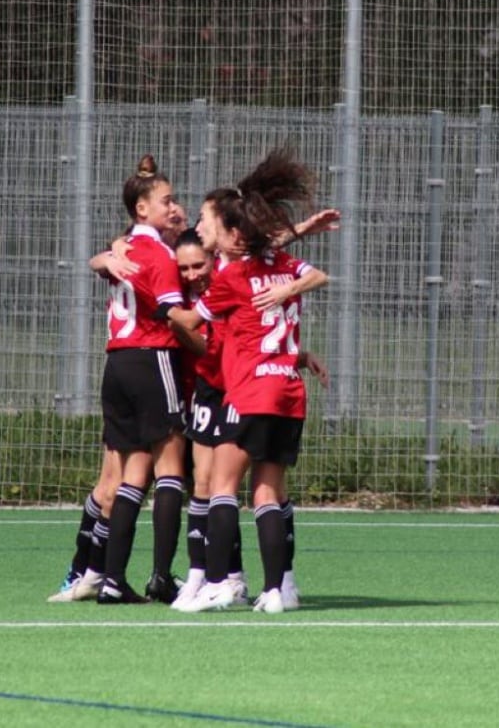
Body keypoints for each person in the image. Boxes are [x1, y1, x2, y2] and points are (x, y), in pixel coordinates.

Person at [164, 148, 330, 614]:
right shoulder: (282, 265)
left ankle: (222, 583)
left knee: (221, 485)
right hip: (288, 392)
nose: (200, 226)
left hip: (250, 390)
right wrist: (291, 285)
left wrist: (162, 311)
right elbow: (312, 271)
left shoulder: (233, 276)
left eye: (207, 219)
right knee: (268, 491)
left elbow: (194, 321)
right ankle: (278, 590)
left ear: (233, 231)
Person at [91, 155, 188, 604]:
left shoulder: (123, 249)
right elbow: (173, 314)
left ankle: (111, 580)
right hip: (153, 358)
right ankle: (161, 577)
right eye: (166, 200)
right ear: (141, 209)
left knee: (134, 472)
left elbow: (102, 262)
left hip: (116, 364)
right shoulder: (160, 256)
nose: (173, 207)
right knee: (170, 466)